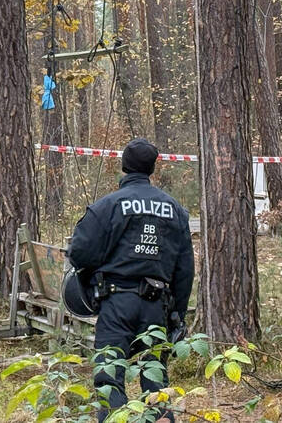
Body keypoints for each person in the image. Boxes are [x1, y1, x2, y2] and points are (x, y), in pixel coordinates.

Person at [67, 138, 194, 422]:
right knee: (157, 384)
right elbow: (185, 271)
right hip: (156, 308)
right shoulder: (175, 211)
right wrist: (177, 316)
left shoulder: (107, 207)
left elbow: (79, 254)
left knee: (109, 378)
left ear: (123, 166)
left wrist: (93, 280)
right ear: (153, 169)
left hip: (115, 304)